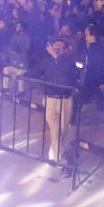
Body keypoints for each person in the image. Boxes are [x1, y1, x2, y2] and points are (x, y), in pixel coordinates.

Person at [29, 37, 78, 167]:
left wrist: (57, 57)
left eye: (60, 47)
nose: (56, 49)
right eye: (54, 46)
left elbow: (68, 75)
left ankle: (53, 153)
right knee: (54, 129)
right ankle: (58, 159)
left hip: (65, 100)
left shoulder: (70, 62)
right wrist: (41, 87)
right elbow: (34, 72)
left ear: (66, 49)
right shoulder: (46, 61)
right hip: (51, 98)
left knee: (62, 130)